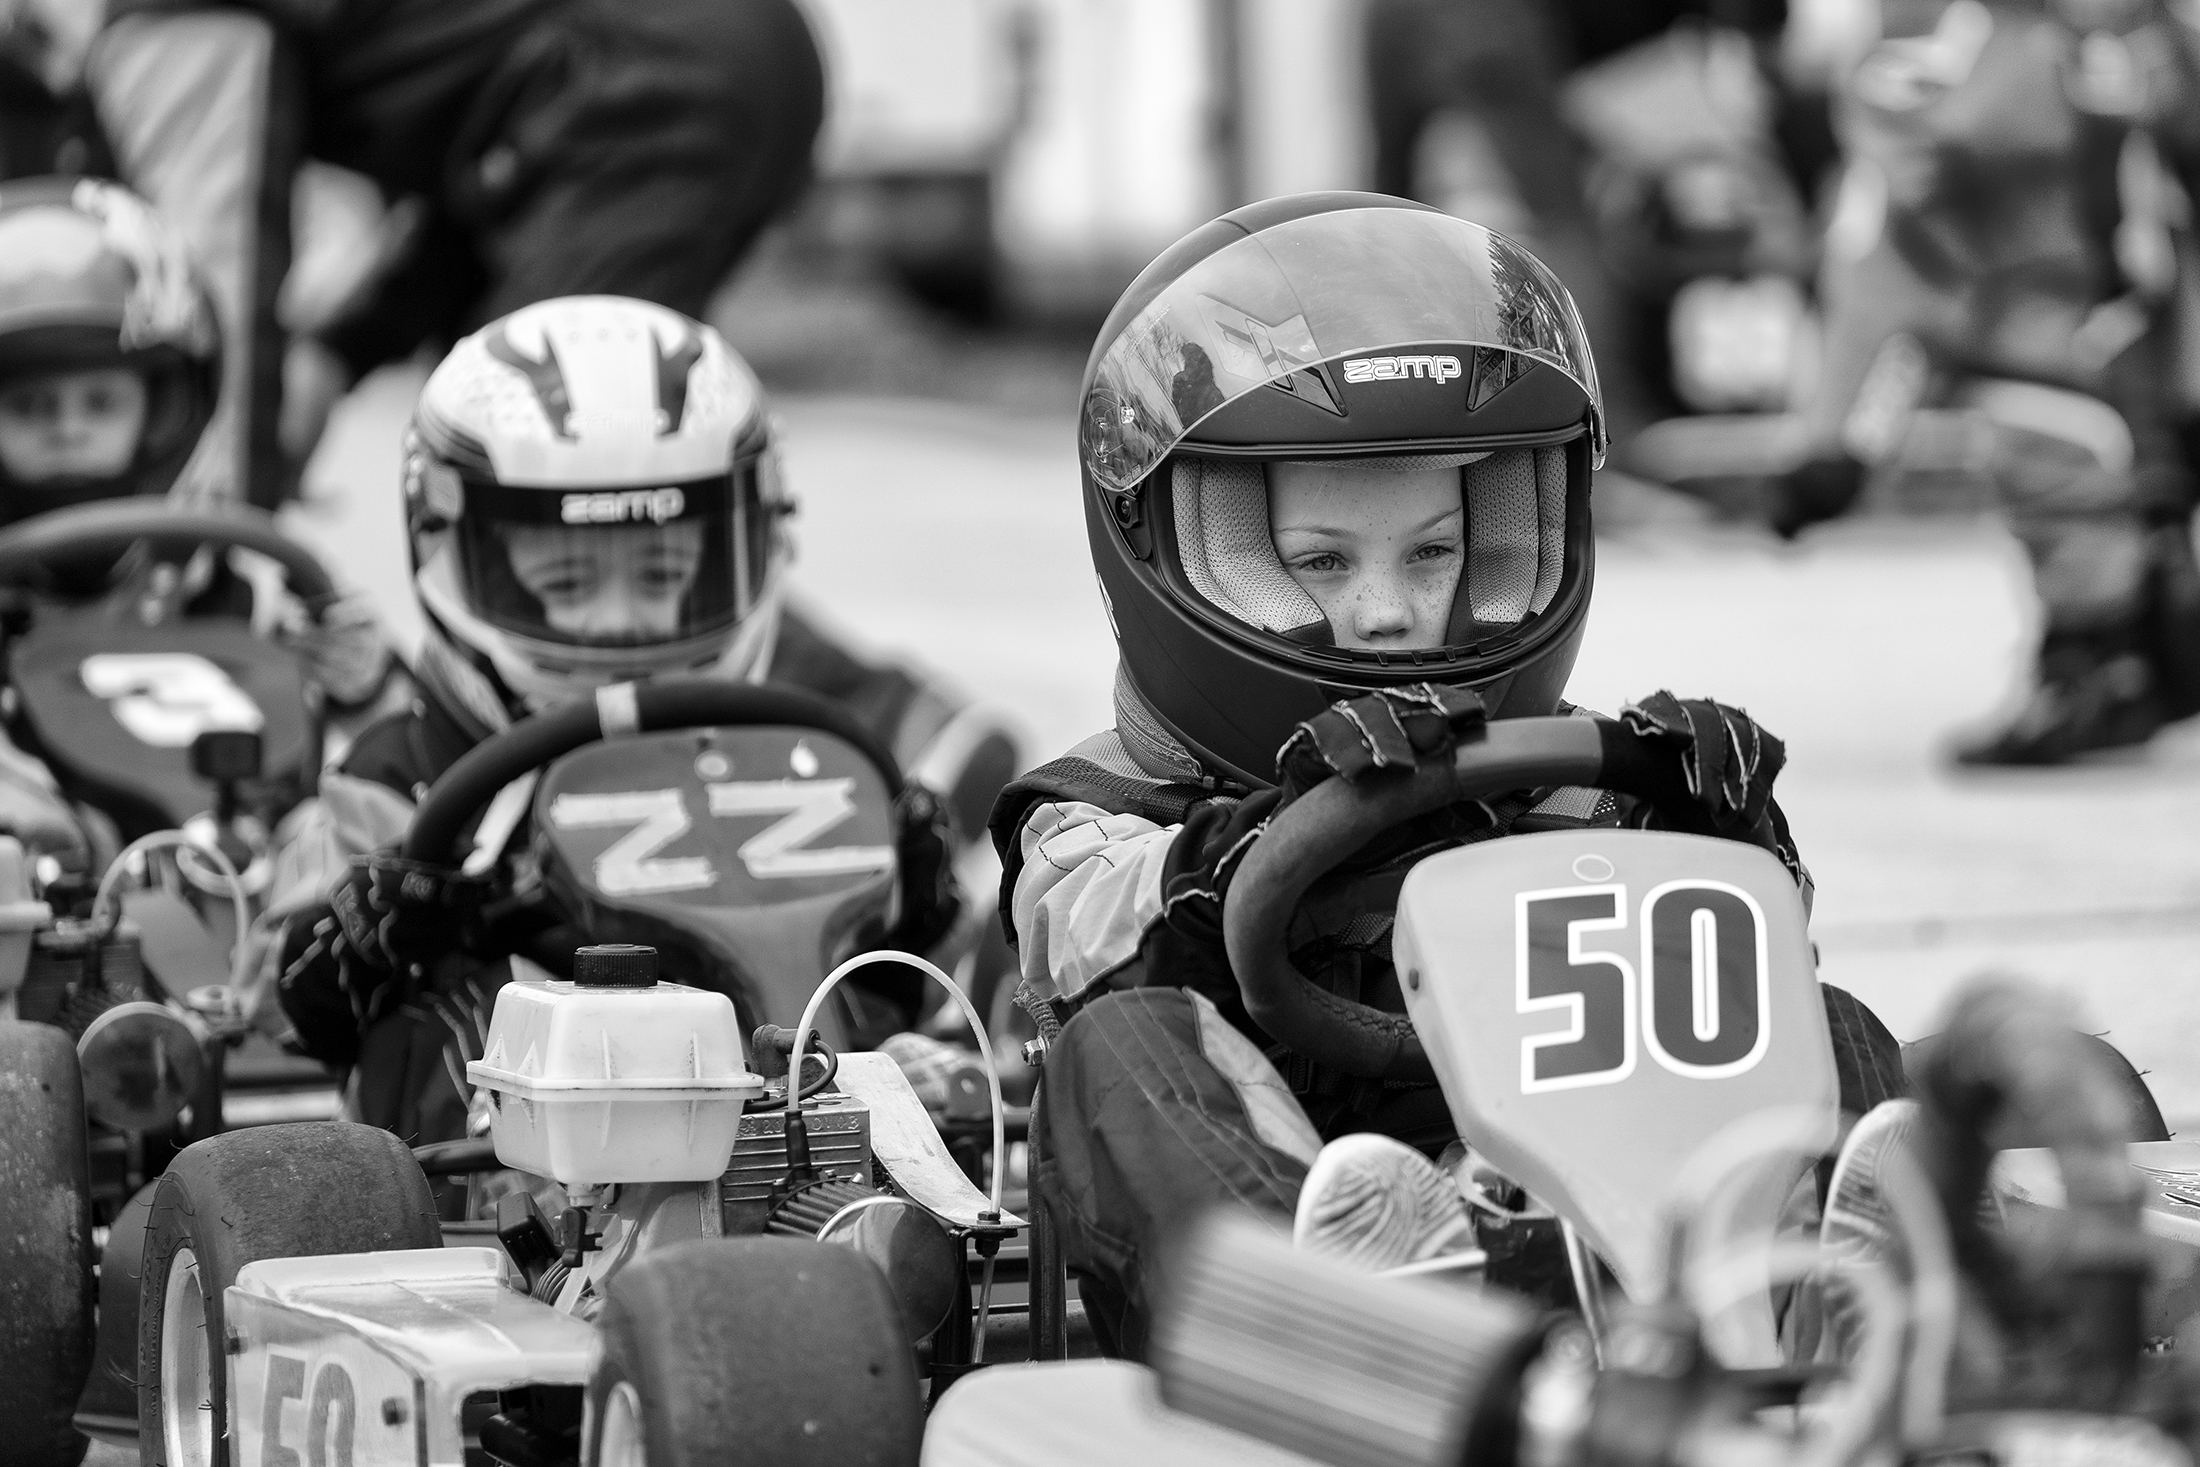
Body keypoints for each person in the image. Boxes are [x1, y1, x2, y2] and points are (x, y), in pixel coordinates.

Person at [992, 192, 1909, 1359]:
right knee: (1112, 1057)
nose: (1386, 614)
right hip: (1286, 1263)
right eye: (1318, 563)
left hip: (1612, 1236)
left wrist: (1727, 839)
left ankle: (1850, 1299)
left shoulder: (1578, 772)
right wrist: (1266, 832)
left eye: (1433, 554)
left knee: (1828, 1021)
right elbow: (1096, 941)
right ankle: (1357, 1317)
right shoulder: (1096, 813)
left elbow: (1728, 1017)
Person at [261, 294, 1018, 1156]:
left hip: (819, 1124)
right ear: (452, 545)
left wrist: (914, 894)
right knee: (462, 1003)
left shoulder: (799, 757)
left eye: (660, 573)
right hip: (516, 1195)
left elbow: (923, 977)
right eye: (570, 580)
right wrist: (368, 931)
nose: (621, 623)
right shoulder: (402, 771)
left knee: (1002, 956)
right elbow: (278, 1005)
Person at [82, 0, 825, 510]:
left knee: (557, 478)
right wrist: (344, 349)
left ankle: (862, 714)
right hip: (699, 54)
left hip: (645, 74)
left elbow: (218, 298)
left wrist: (202, 561)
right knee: (524, 430)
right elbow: (476, 178)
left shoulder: (165, 20)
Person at [0, 175, 381, 875]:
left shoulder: (231, 584)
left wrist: (366, 679)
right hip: (61, 902)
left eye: (99, 402)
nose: (69, 431)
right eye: (31, 408)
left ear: (162, 410)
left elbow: (392, 747)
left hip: (265, 888)